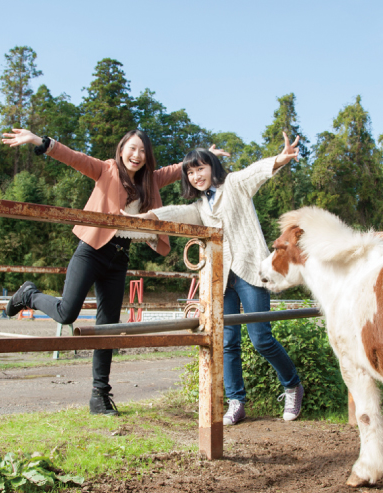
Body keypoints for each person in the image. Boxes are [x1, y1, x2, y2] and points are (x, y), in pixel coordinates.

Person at [1, 128, 227, 416]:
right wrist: (41, 142)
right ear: (121, 150)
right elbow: (74, 157)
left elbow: (176, 169)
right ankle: (29, 294)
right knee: (67, 313)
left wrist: (207, 157)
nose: (137, 155)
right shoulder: (106, 169)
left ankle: (100, 395)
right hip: (91, 249)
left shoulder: (150, 181)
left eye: (143, 151)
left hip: (119, 258)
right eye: (132, 149)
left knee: (107, 326)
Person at [127, 133, 304, 425]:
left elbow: (255, 173)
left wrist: (280, 159)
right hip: (222, 280)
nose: (196, 175)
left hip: (249, 273)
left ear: (212, 167)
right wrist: (151, 216)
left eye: (201, 168)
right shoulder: (199, 208)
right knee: (228, 341)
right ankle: (236, 401)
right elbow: (179, 213)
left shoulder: (234, 185)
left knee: (261, 339)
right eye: (190, 172)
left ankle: (293, 385)